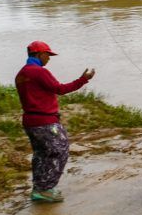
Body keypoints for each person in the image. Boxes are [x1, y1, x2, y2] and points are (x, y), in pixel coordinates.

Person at [15, 41, 95, 203]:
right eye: (48, 55)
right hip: (45, 121)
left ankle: (39, 187)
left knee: (41, 154)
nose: (49, 59)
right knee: (60, 150)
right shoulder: (39, 72)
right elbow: (61, 89)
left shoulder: (21, 74)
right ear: (39, 55)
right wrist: (83, 79)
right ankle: (46, 189)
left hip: (30, 121)